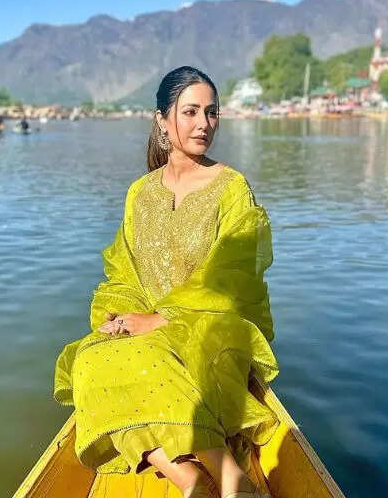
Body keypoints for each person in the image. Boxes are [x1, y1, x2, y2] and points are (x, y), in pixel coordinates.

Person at [53, 66, 278, 498]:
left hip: (212, 328)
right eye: (190, 111)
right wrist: (121, 318)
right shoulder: (140, 193)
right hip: (145, 327)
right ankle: (189, 479)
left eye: (211, 112)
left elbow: (234, 279)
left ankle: (233, 481)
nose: (204, 124)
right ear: (162, 120)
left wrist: (162, 320)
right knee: (88, 361)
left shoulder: (232, 189)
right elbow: (124, 272)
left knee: (150, 359)